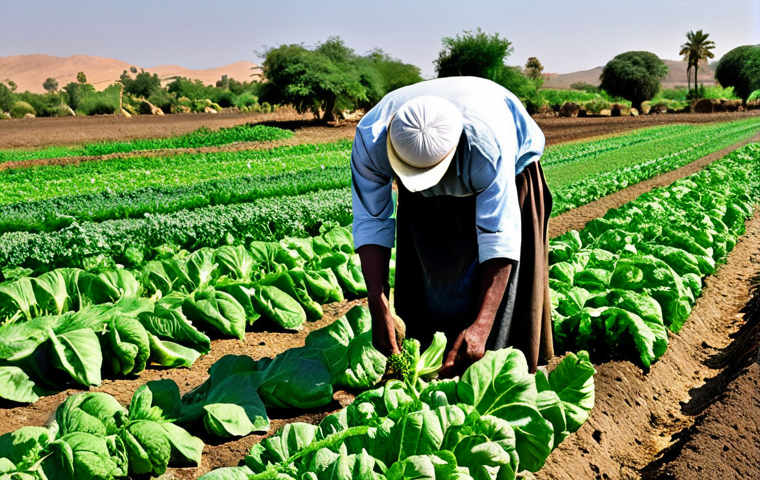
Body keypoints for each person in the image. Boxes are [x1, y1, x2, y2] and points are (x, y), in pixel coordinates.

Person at [351, 76, 553, 376]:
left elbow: (499, 236)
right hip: (426, 182)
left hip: (507, 171)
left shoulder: (487, 146)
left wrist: (482, 325)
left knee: (504, 309)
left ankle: (504, 368)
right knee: (427, 282)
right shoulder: (372, 140)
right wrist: (377, 300)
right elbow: (371, 219)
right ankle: (430, 362)